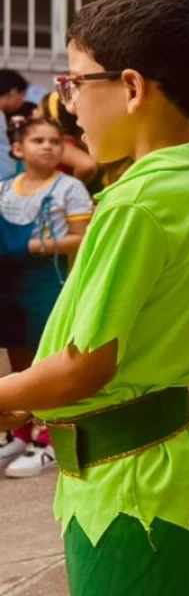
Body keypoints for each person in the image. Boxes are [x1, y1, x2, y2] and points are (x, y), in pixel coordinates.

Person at [0, 0, 189, 596]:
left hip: (128, 484)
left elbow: (81, 370)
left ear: (130, 87)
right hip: (161, 462)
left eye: (75, 82)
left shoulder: (138, 203)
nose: (68, 104)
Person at [0, 115, 94, 478]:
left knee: (46, 360)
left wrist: (42, 245)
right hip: (9, 286)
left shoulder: (69, 188)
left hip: (48, 282)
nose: (48, 147)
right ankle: (20, 430)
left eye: (55, 141)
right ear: (18, 149)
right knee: (18, 355)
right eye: (38, 140)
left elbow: (81, 237)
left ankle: (49, 437)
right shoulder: (5, 189)